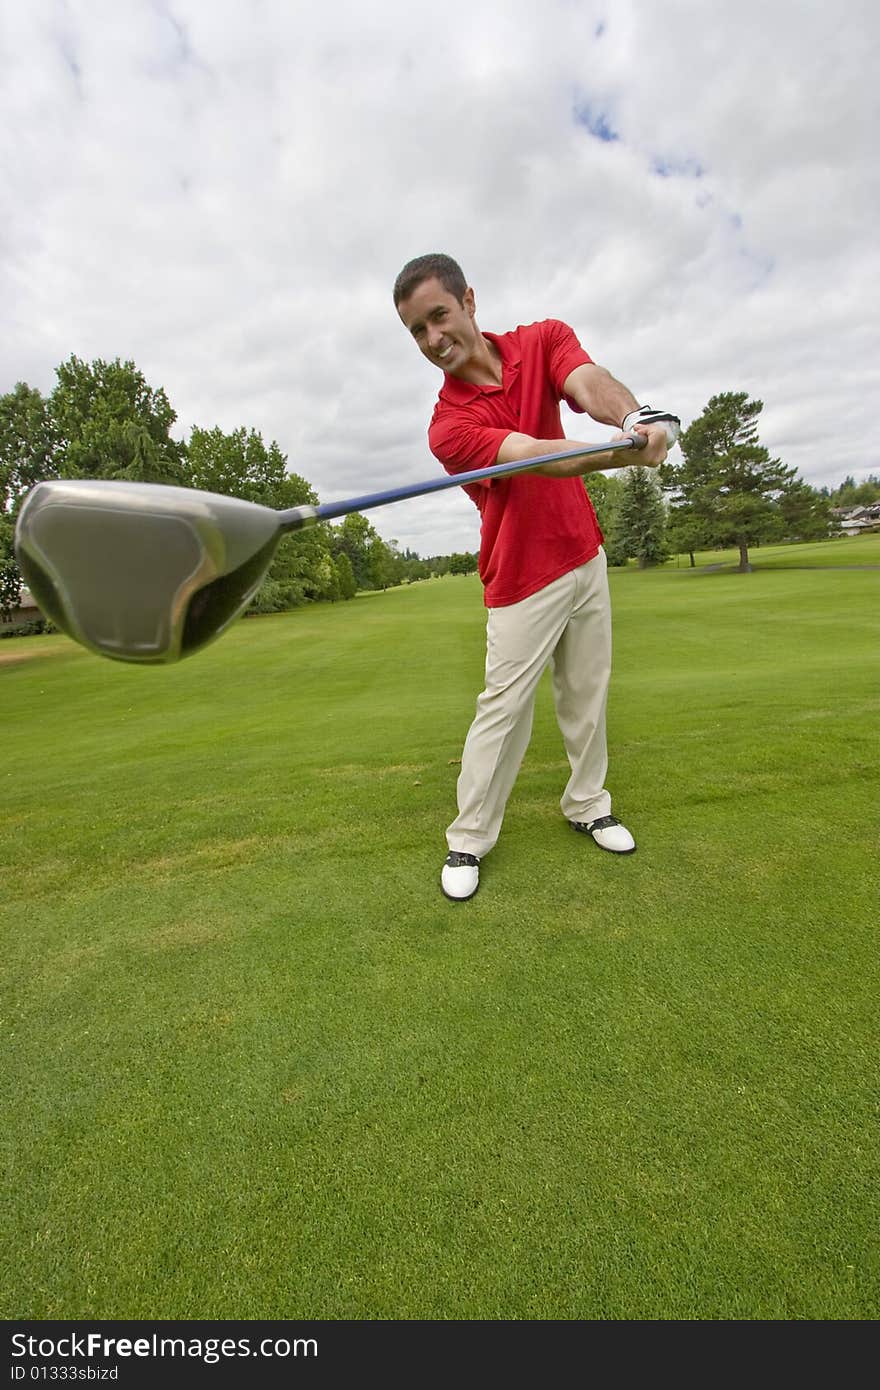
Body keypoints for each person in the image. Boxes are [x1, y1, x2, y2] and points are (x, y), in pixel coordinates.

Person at [393, 253, 679, 901]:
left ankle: (588, 803)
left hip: (584, 551)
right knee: (504, 712)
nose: (434, 339)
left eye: (439, 316)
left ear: (469, 299)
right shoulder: (449, 426)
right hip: (520, 576)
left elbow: (585, 380)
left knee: (587, 691)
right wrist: (623, 454)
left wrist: (633, 419)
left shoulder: (542, 339)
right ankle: (468, 839)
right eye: (417, 331)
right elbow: (532, 458)